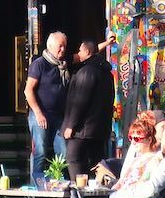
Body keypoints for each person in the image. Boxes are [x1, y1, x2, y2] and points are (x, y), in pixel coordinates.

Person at [24, 31, 114, 183]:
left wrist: (106, 43)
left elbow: (87, 52)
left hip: (60, 116)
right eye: (60, 46)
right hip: (41, 115)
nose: (62, 50)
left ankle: (61, 186)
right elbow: (28, 90)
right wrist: (38, 113)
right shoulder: (39, 64)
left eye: (64, 47)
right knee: (40, 152)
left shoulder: (64, 62)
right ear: (50, 46)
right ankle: (35, 191)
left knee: (64, 153)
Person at [62, 40, 115, 180]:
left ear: (87, 52)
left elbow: (80, 101)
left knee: (73, 158)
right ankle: (97, 195)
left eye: (80, 50)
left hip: (83, 129)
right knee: (97, 161)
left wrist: (71, 125)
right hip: (100, 127)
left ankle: (80, 194)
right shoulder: (107, 73)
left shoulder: (86, 72)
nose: (78, 53)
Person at [112, 112, 162, 191]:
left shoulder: (154, 160)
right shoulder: (136, 160)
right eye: (131, 138)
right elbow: (120, 182)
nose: (133, 142)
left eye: (137, 139)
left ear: (149, 140)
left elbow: (142, 184)